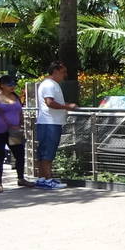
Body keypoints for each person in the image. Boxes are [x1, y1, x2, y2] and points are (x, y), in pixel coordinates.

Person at [0, 74, 29, 192]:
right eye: (9, 85)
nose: (12, 86)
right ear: (2, 85)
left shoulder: (16, 97)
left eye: (13, 84)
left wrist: (22, 125)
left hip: (14, 131)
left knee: (19, 154)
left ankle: (21, 178)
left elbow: (20, 113)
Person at [34, 61, 77, 189]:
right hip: (50, 123)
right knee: (48, 152)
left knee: (44, 152)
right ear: (56, 71)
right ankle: (48, 180)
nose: (65, 75)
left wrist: (65, 105)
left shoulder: (50, 84)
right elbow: (49, 102)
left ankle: (42, 179)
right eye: (63, 72)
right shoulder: (49, 85)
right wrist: (67, 106)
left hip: (48, 123)